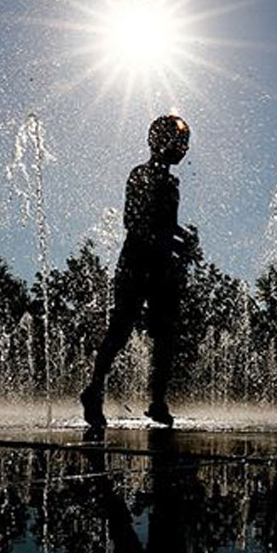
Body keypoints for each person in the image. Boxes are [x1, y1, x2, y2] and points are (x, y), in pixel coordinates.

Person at [80, 115, 196, 428]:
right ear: (156, 141)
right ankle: (93, 391)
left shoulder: (172, 183)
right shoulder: (140, 174)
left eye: (184, 143)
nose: (182, 148)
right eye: (177, 140)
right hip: (135, 261)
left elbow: (167, 224)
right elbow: (132, 221)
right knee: (120, 329)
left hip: (160, 266)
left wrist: (184, 238)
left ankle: (157, 400)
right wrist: (167, 243)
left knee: (165, 335)